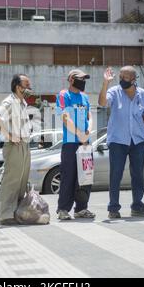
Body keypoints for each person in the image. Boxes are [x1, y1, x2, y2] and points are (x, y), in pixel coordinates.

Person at [98, 66, 144, 219]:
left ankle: (137, 207)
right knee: (115, 174)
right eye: (120, 77)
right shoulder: (114, 91)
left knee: (138, 175)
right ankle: (113, 209)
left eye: (126, 77)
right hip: (117, 140)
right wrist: (105, 83)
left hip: (138, 140)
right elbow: (102, 103)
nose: (122, 80)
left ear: (134, 79)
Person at [0, 74, 33, 226]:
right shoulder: (9, 101)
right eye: (26, 85)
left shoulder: (22, 103)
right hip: (14, 146)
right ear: (18, 86)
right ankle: (6, 215)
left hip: (24, 145)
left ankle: (16, 213)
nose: (29, 88)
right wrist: (9, 136)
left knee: (21, 182)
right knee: (11, 181)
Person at [56, 69, 95, 220]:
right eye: (80, 79)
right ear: (71, 80)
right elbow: (65, 117)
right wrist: (80, 134)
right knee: (69, 176)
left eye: (85, 79)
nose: (83, 82)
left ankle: (81, 208)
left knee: (85, 177)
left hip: (85, 143)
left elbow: (89, 116)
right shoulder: (63, 95)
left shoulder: (85, 97)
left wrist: (88, 132)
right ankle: (63, 209)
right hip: (71, 143)